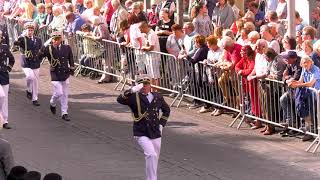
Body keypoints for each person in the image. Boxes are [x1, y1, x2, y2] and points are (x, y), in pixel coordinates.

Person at [117, 74, 170, 180]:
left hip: (155, 131)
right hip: (141, 131)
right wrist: (131, 90)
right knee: (151, 154)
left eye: (147, 84)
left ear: (150, 85)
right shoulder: (133, 97)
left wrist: (161, 125)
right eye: (142, 84)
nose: (145, 86)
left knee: (155, 158)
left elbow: (166, 110)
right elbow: (120, 99)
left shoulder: (157, 96)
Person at [39, 31, 75, 121]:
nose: (56, 41)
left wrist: (72, 68)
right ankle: (52, 103)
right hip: (55, 73)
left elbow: (70, 58)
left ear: (61, 39)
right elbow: (39, 56)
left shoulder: (66, 47)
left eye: (58, 39)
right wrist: (44, 45)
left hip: (65, 73)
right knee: (59, 92)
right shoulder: (49, 48)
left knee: (65, 94)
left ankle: (64, 113)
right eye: (54, 39)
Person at [14, 22, 42, 107]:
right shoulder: (23, 39)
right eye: (28, 30)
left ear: (34, 31)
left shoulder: (38, 39)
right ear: (25, 30)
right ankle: (29, 90)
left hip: (35, 62)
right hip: (26, 62)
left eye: (31, 30)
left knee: (35, 81)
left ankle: (35, 99)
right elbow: (16, 43)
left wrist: (39, 59)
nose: (30, 32)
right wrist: (20, 36)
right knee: (30, 77)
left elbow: (40, 50)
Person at [0, 30, 15, 129]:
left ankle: (5, 120)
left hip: (4, 75)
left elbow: (12, 59)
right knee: (1, 96)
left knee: (4, 98)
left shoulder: (5, 47)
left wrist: (8, 68)